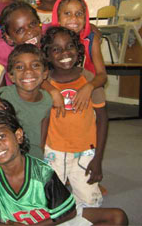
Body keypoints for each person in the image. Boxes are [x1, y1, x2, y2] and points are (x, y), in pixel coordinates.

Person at [0, 109, 129, 225]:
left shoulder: (43, 172)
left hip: (50, 222)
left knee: (118, 217)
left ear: (18, 136)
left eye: (1, 136)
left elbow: (67, 214)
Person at [41, 26, 107, 208]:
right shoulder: (43, 82)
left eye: (70, 46)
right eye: (56, 49)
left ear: (78, 50)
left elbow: (102, 119)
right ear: (47, 55)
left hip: (85, 152)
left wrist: (98, 159)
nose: (65, 53)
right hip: (53, 152)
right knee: (50, 203)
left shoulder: (89, 80)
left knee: (90, 204)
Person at [0, 44, 51, 160]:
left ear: (45, 73)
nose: (28, 71)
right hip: (5, 160)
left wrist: (40, 155)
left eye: (35, 65)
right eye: (20, 67)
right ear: (11, 76)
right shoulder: (1, 97)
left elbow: (42, 136)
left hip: (33, 160)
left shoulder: (47, 100)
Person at [51, 0, 107, 113]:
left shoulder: (91, 39)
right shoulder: (50, 41)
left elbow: (102, 75)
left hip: (85, 92)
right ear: (58, 17)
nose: (74, 18)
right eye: (67, 13)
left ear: (85, 18)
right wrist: (52, 91)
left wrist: (89, 87)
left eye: (79, 14)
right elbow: (43, 75)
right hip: (59, 92)